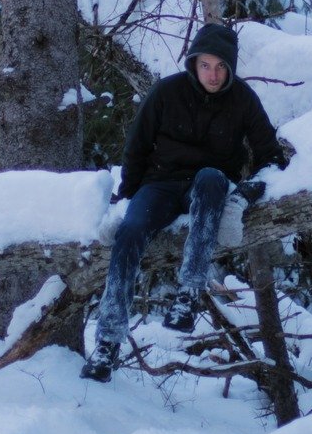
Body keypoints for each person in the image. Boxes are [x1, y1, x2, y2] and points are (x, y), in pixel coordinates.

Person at [81, 22, 286, 383]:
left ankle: (188, 293)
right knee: (129, 233)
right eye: (206, 64)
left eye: (221, 66)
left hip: (206, 188)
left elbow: (271, 157)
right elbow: (137, 147)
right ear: (193, 63)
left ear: (231, 68)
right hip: (160, 184)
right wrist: (126, 196)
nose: (213, 73)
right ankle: (107, 342)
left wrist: (244, 194)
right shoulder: (167, 92)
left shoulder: (242, 99)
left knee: (210, 178)